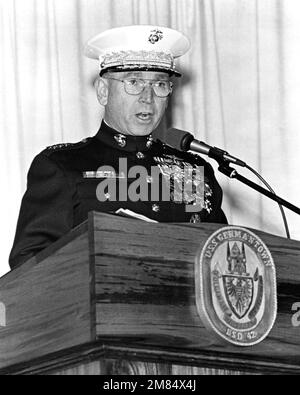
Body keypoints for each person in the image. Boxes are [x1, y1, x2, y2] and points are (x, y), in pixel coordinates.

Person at [9, 25, 227, 270]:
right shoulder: (63, 166)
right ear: (103, 91)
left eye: (160, 85)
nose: (148, 97)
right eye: (133, 82)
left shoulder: (193, 170)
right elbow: (29, 265)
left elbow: (220, 258)